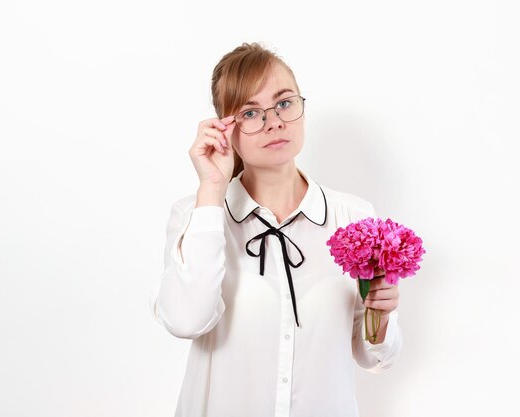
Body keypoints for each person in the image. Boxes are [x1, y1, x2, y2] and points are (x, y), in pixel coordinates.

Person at [149, 42, 402, 417]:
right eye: (251, 112)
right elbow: (185, 320)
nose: (274, 122)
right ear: (224, 130)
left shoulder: (355, 219)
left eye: (284, 103)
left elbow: (376, 357)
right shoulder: (197, 213)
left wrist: (379, 316)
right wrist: (212, 191)